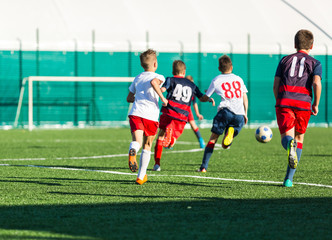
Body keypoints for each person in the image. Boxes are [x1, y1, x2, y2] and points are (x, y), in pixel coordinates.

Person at [273, 29, 322, 187]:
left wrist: (279, 100)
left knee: (286, 139)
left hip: (285, 100)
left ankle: (289, 145)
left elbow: (276, 84)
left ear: (295, 44)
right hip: (303, 103)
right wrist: (315, 104)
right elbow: (316, 83)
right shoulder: (315, 63)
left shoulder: (284, 60)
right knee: (299, 139)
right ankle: (289, 180)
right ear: (312, 46)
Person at [153, 60, 215, 171]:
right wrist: (209, 98)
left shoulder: (170, 79)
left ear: (173, 71)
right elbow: (201, 97)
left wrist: (156, 89)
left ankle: (157, 164)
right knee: (174, 136)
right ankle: (172, 140)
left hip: (169, 111)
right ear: (184, 71)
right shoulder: (191, 84)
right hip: (182, 115)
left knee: (160, 136)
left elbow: (162, 89)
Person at [197, 54, 248, 172]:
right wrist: (245, 113)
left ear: (219, 68)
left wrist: (203, 97)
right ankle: (230, 133)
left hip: (225, 112)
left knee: (213, 139)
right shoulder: (239, 79)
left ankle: (203, 167)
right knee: (225, 145)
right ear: (232, 67)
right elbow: (244, 97)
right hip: (239, 114)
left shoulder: (217, 80)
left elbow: (205, 98)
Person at [126, 49, 168, 185]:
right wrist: (163, 98)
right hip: (150, 115)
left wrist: (139, 97)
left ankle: (133, 150)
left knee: (137, 142)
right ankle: (141, 176)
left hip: (136, 113)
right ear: (155, 63)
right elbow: (154, 83)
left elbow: (129, 98)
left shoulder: (138, 78)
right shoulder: (159, 76)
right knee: (147, 145)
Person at [186, 75, 206, 149]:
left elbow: (194, 103)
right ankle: (169, 141)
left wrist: (197, 114)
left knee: (192, 124)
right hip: (182, 109)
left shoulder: (192, 91)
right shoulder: (191, 89)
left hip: (185, 110)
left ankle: (201, 140)